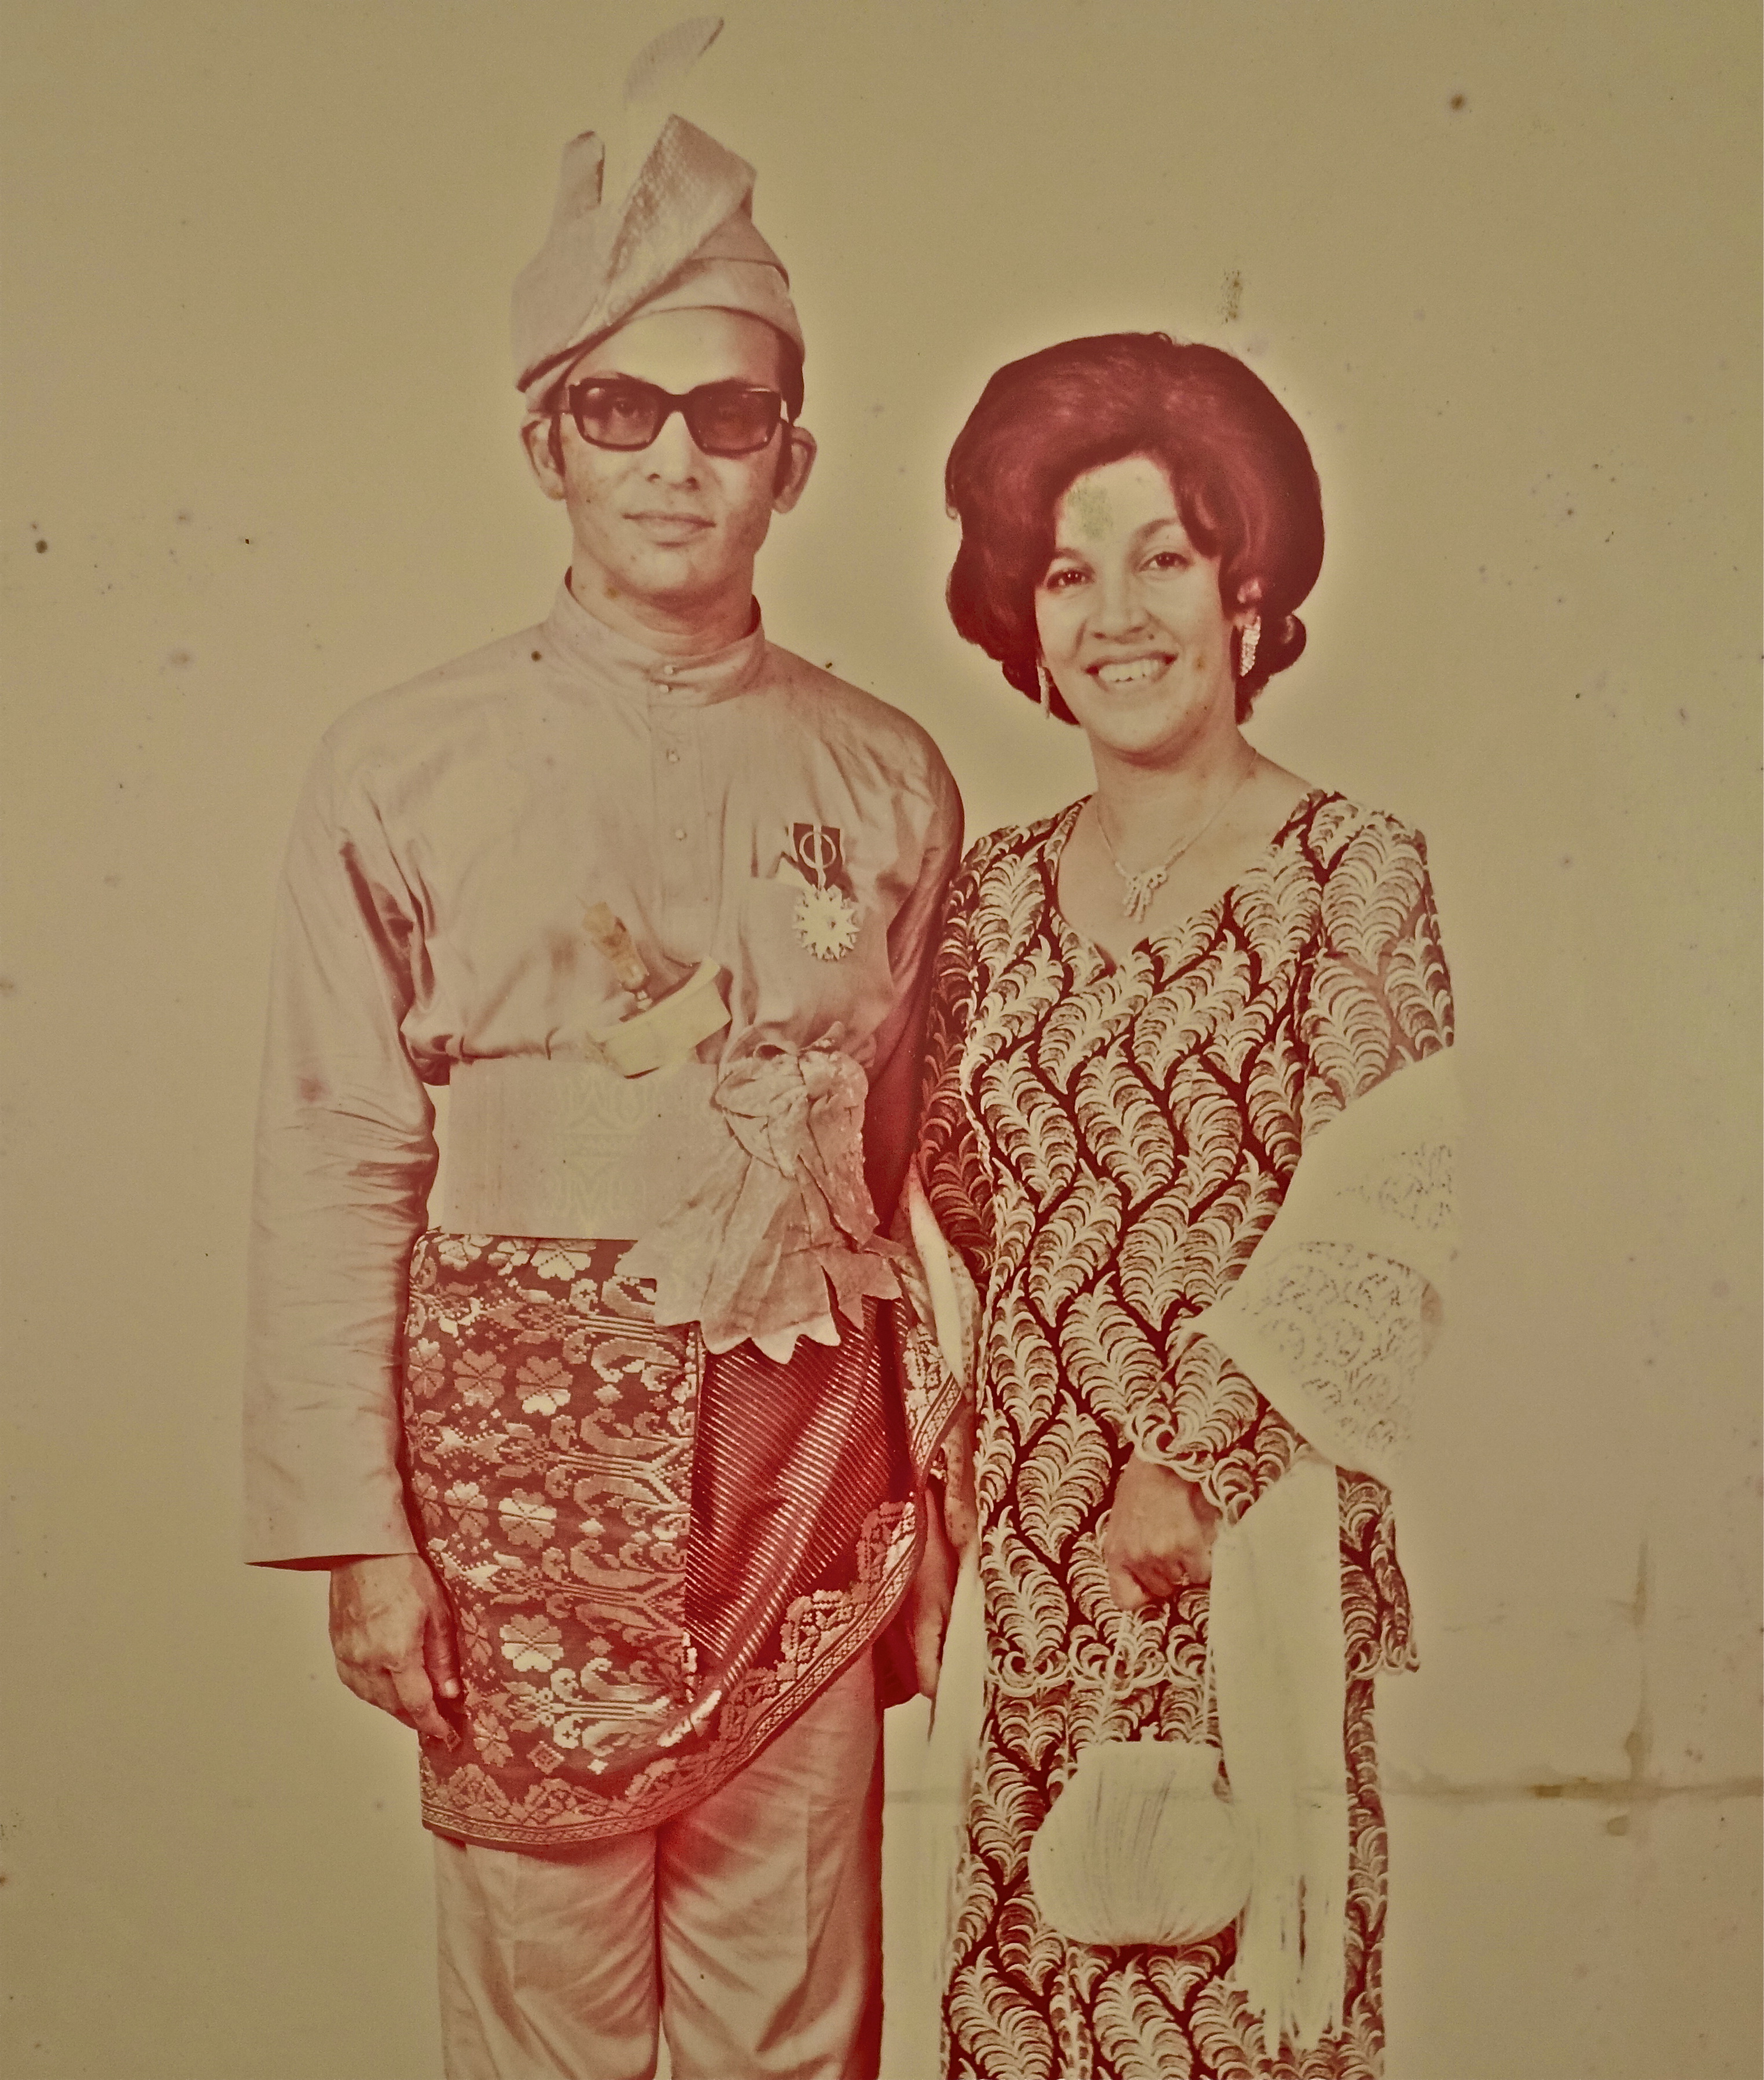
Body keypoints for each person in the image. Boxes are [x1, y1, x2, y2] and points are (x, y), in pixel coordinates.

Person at [242, 22, 962, 2079]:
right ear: (544, 439)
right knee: (542, 2027)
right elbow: (339, 1149)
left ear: (792, 458)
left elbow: (899, 1156)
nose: (673, 460)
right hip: (510, 1480)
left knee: (792, 2016)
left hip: (798, 1457)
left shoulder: (887, 773)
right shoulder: (404, 762)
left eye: (725, 415)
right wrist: (364, 1533)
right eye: (618, 408)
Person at [902, 332, 1458, 2079]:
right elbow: (957, 1197)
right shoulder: (990, 896)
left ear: (1247, 588)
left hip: (1235, 1546)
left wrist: (1194, 1455)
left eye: (1163, 556)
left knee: (1223, 2015)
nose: (1117, 614)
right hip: (1039, 1565)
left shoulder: (1351, 872)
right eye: (1070, 572)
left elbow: (1381, 1220)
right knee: (1030, 2006)